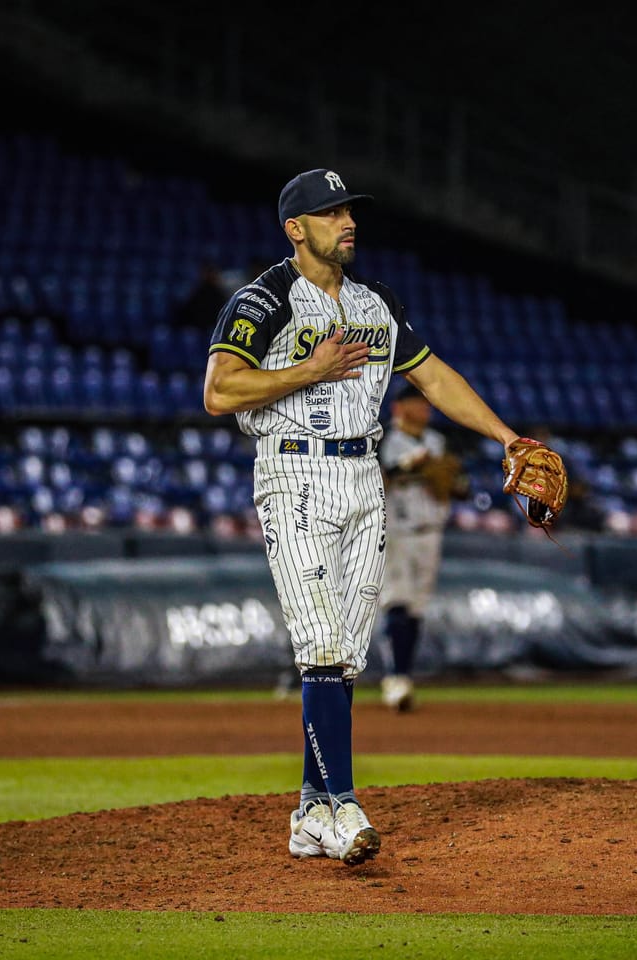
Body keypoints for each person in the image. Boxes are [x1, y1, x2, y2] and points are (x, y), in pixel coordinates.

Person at [203, 167, 522, 867]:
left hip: (363, 477)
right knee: (319, 643)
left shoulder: (377, 304)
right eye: (330, 213)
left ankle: (310, 814)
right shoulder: (264, 298)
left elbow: (432, 376)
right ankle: (341, 805)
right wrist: (306, 371)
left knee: (345, 656)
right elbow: (220, 391)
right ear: (296, 228)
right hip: (294, 471)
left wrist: (507, 438)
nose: (348, 222)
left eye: (349, 211)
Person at [377, 382, 470, 713]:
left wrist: (453, 483)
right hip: (396, 531)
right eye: (417, 403)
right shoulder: (383, 439)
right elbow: (373, 478)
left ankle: (403, 674)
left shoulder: (437, 442)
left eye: (425, 404)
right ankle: (396, 677)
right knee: (397, 602)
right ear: (399, 409)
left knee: (416, 608)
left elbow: (460, 487)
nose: (424, 409)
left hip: (431, 531)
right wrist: (406, 467)